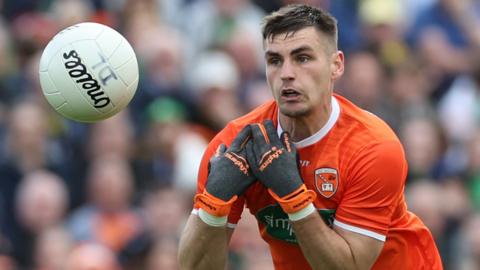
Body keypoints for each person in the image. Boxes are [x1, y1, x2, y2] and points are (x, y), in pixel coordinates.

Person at [178, 4, 442, 270]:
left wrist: (292, 195)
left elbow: (347, 267)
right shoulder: (236, 143)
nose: (287, 73)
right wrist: (214, 203)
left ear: (336, 65)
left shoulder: (374, 146)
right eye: (274, 60)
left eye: (302, 58)